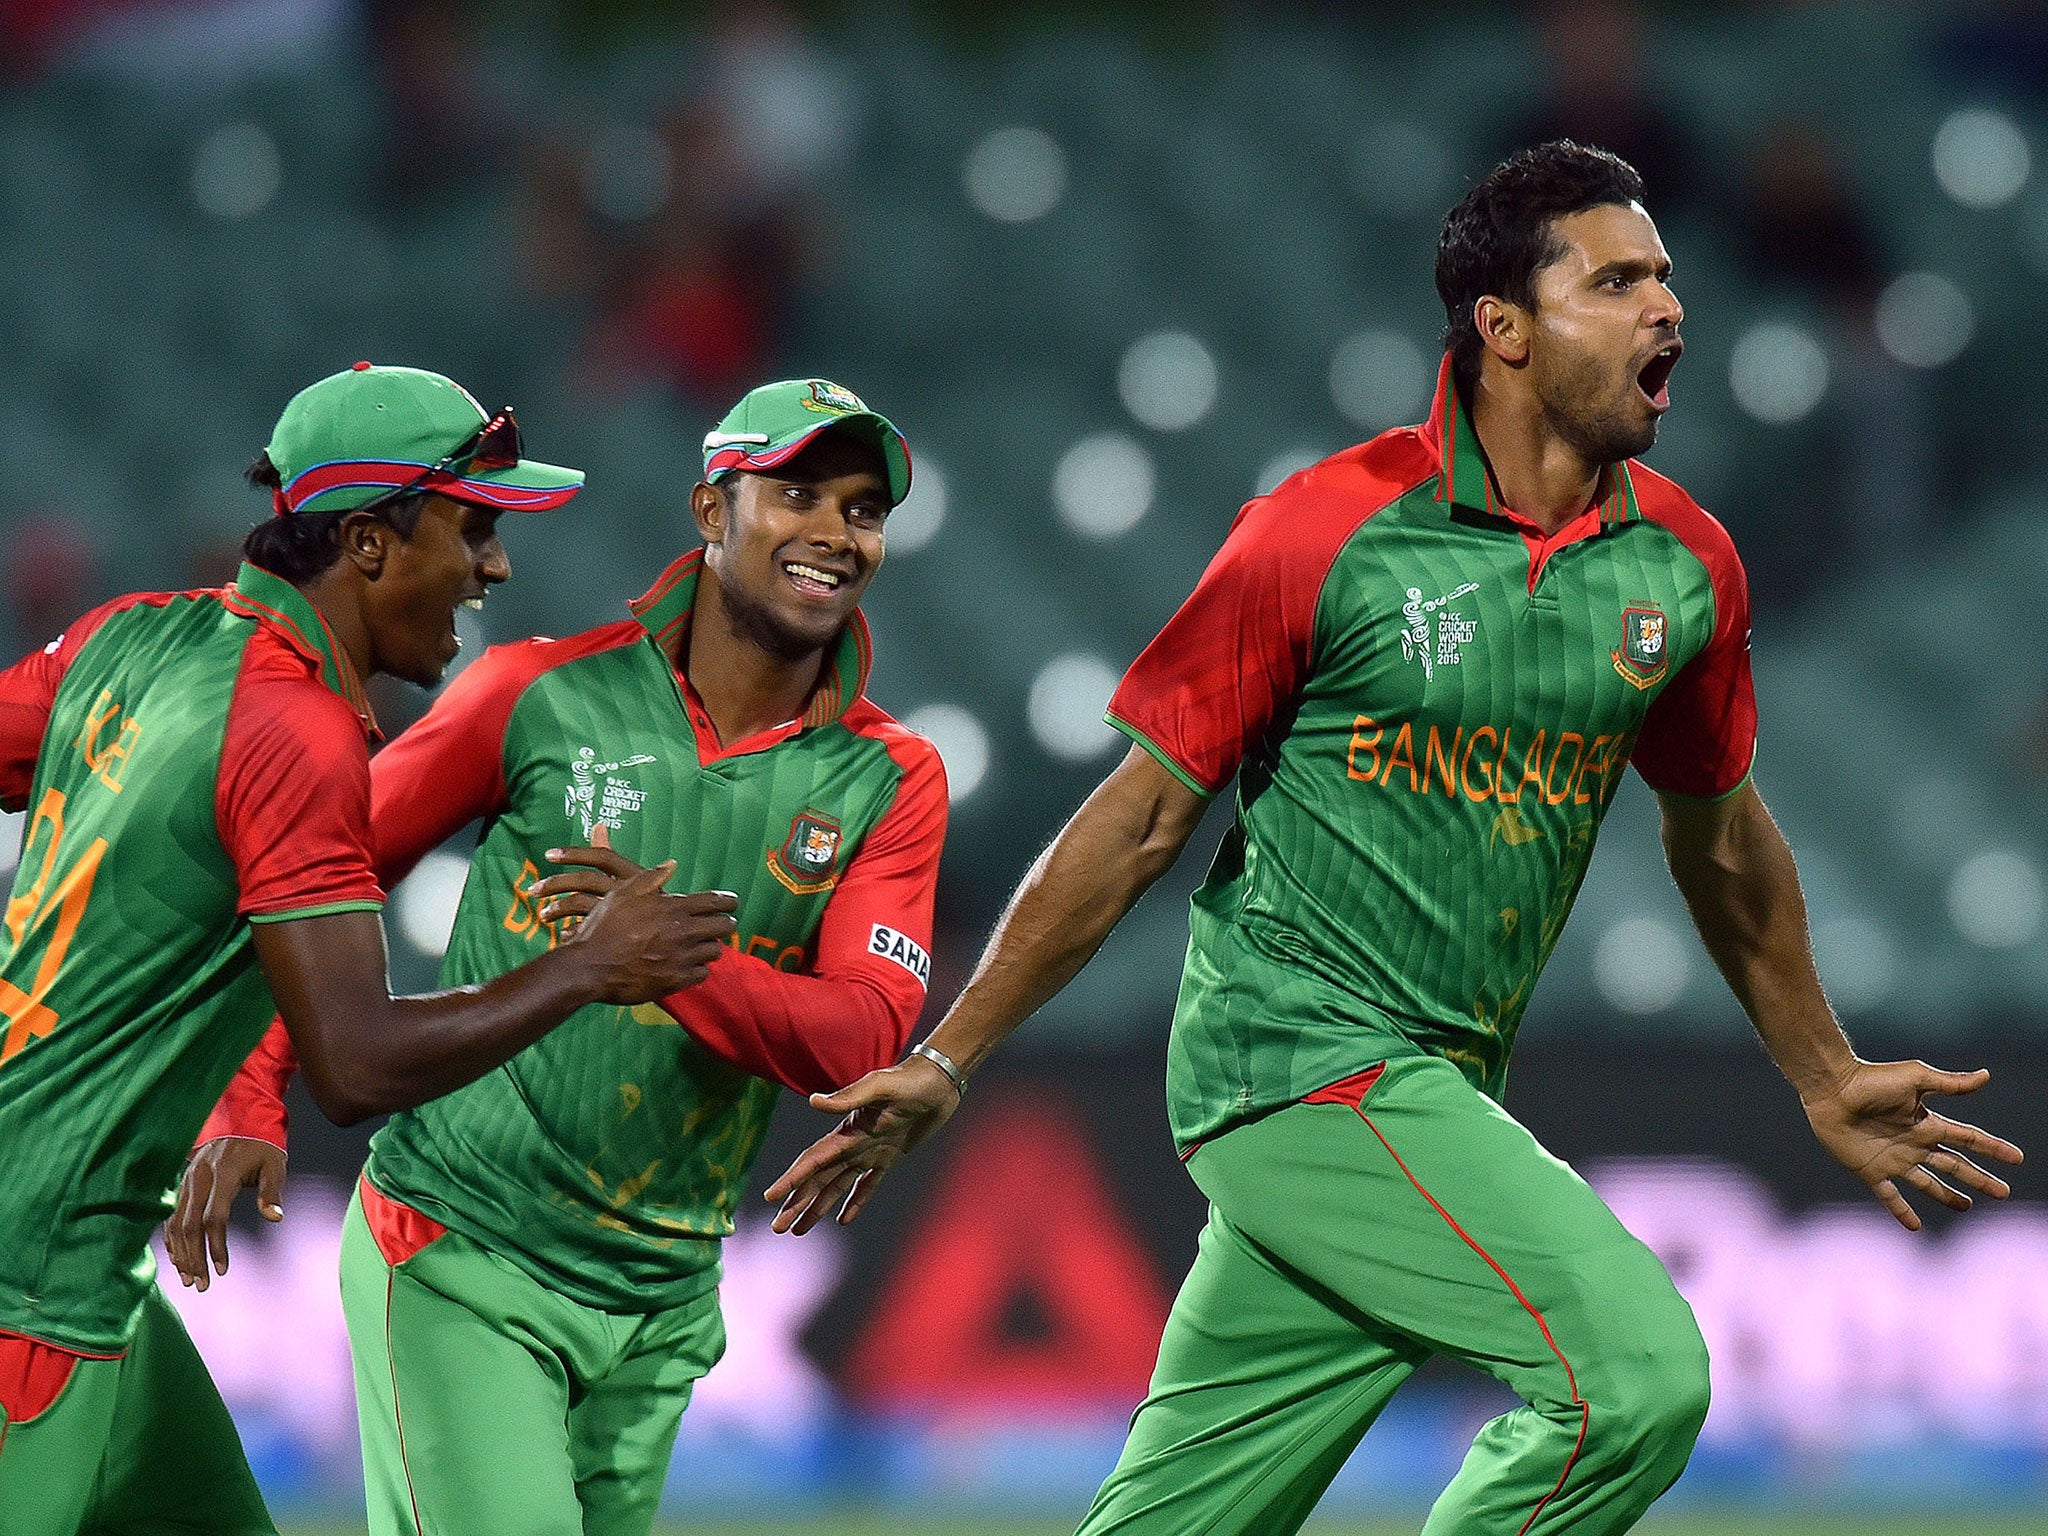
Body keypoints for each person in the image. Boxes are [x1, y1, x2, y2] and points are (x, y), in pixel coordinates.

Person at [762, 144, 2025, 1535]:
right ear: (1506, 328)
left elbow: (1721, 841)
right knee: (1635, 1382)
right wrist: (949, 1055)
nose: (1669, 308)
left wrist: (1823, 1069)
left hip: (1428, 1090)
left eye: (1667, 277)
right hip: (1300, 1061)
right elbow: (1138, 819)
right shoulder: (1324, 533)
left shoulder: (1683, 564)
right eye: (1618, 281)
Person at [176, 377, 947, 1536]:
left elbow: (861, 1034)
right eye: (797, 495)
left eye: (862, 510)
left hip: (661, 1306)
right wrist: (245, 1091)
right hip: (462, 1249)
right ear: (709, 511)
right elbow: (306, 888)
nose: (836, 533)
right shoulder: (534, 695)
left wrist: (677, 964)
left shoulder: (892, 778)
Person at [0, 362, 739, 1536]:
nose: (494, 566)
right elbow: (356, 1063)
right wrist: (587, 965)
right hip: (30, 1302)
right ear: (370, 542)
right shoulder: (295, 734)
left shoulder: (129, 638)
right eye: (472, 527)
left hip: (89, 1272)